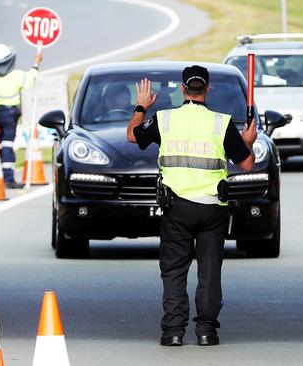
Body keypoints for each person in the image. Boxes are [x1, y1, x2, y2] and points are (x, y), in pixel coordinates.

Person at [126, 65, 257, 347]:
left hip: (176, 209)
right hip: (213, 209)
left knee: (174, 271)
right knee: (210, 271)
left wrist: (141, 106)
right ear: (208, 89)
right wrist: (248, 142)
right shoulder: (221, 124)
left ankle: (173, 332)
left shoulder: (165, 120)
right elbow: (247, 164)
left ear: (183, 89)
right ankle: (207, 331)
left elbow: (133, 135)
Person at [0, 43, 42, 189]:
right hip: (10, 115)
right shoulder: (16, 75)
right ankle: (8, 178)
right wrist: (36, 64)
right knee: (8, 145)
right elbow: (30, 81)